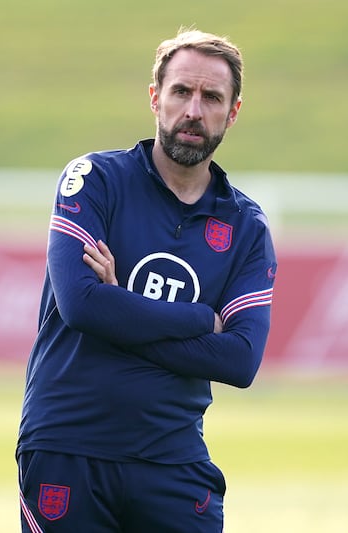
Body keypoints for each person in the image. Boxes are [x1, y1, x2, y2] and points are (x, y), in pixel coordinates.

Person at [17, 29, 276, 533]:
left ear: (234, 111)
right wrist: (200, 319)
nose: (194, 111)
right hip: (68, 448)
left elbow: (241, 360)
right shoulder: (95, 179)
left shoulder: (247, 225)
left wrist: (120, 308)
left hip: (173, 461)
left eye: (212, 97)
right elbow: (83, 307)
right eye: (181, 92)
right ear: (155, 97)